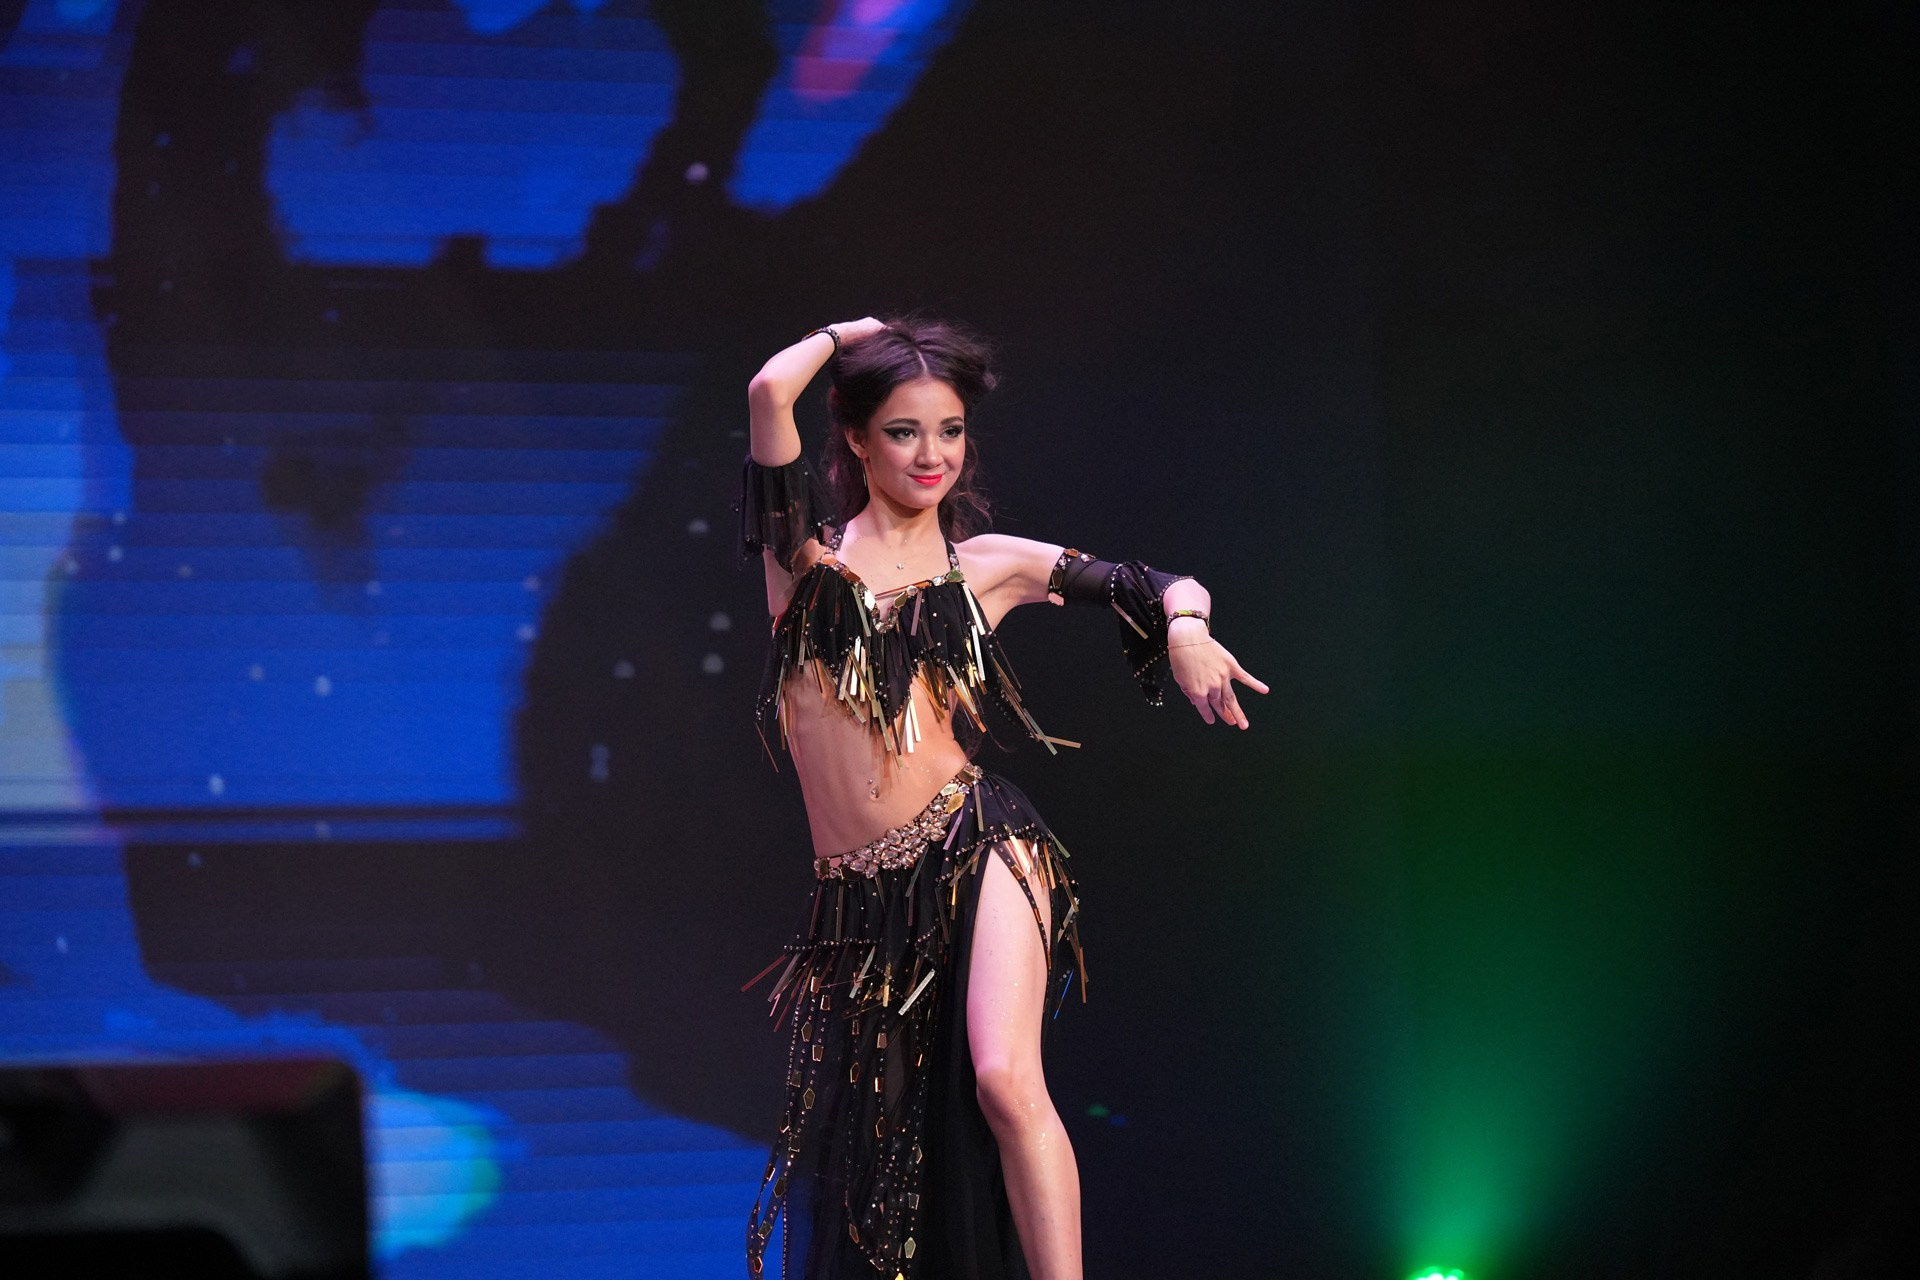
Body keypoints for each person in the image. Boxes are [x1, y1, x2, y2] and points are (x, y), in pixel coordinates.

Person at [738, 315, 1266, 1280]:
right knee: (882, 1156)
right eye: (903, 431)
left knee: (1004, 1081)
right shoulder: (802, 566)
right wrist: (858, 333)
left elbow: (1159, 583)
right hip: (861, 905)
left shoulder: (987, 566)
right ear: (855, 438)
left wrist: (1186, 629)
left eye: (949, 430)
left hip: (978, 841)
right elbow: (772, 390)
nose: (931, 454)